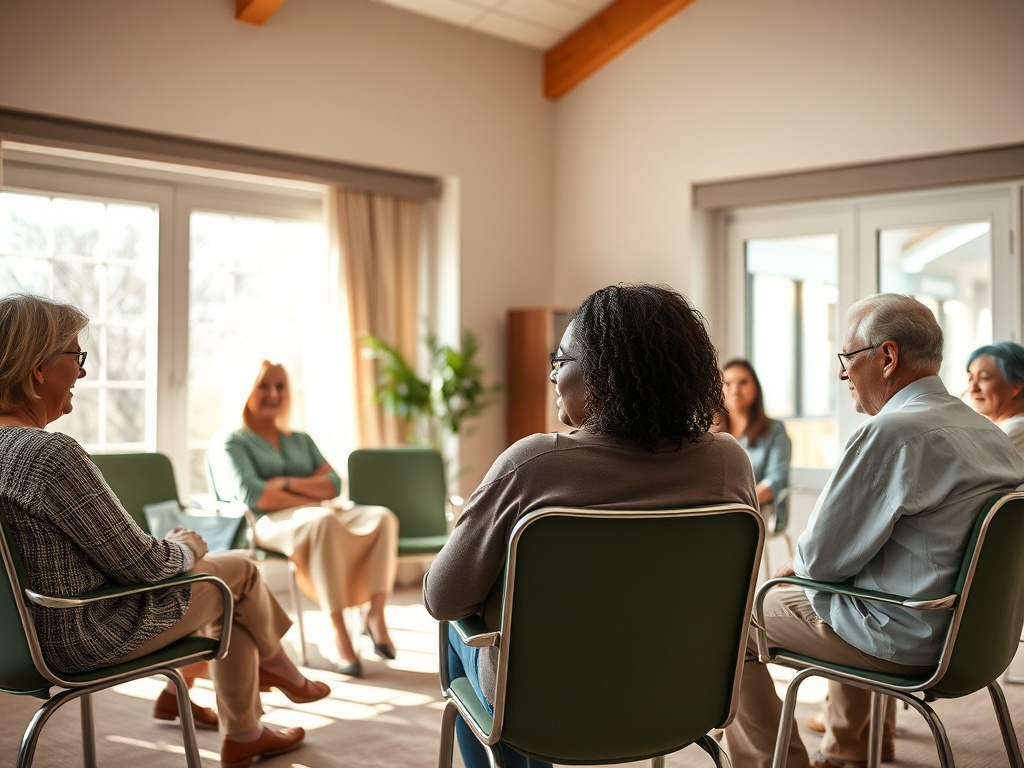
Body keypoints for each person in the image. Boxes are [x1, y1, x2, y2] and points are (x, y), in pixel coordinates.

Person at [423, 283, 759, 768]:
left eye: (560, 360)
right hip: (681, 699)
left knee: (459, 633)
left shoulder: (533, 464)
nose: (552, 375)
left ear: (604, 374)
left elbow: (443, 598)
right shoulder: (727, 461)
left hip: (546, 710)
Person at [0, 294, 329, 768]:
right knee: (238, 573)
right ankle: (275, 674)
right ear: (37, 370)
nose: (83, 372)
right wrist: (184, 546)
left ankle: (250, 724)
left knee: (230, 588)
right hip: (80, 633)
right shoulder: (47, 456)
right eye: (76, 356)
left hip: (14, 641)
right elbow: (143, 565)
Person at [724, 293, 1024, 768]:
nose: (842, 374)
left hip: (907, 640)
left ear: (887, 357)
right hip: (976, 640)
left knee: (733, 622)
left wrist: (801, 564)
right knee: (847, 588)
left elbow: (820, 561)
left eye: (847, 357)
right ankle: (855, 748)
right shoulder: (991, 435)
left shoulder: (889, 434)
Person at [207, 361, 399, 677]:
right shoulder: (232, 441)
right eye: (264, 386)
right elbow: (255, 496)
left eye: (280, 386)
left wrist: (283, 483)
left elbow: (333, 484)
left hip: (321, 510)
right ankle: (338, 631)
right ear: (247, 391)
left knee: (382, 518)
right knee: (322, 521)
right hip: (265, 523)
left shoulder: (301, 439)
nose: (273, 394)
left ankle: (375, 615)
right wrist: (308, 487)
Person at [718, 358, 792, 518]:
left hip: (758, 513)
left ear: (756, 388)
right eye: (728, 383)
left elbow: (776, 479)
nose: (735, 391)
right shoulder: (712, 432)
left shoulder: (775, 430)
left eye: (743, 382)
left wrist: (737, 505)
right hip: (718, 513)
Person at [967, 341, 1024, 456]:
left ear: (1015, 387)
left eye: (984, 378)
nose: (973, 388)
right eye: (970, 378)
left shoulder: (1016, 430)